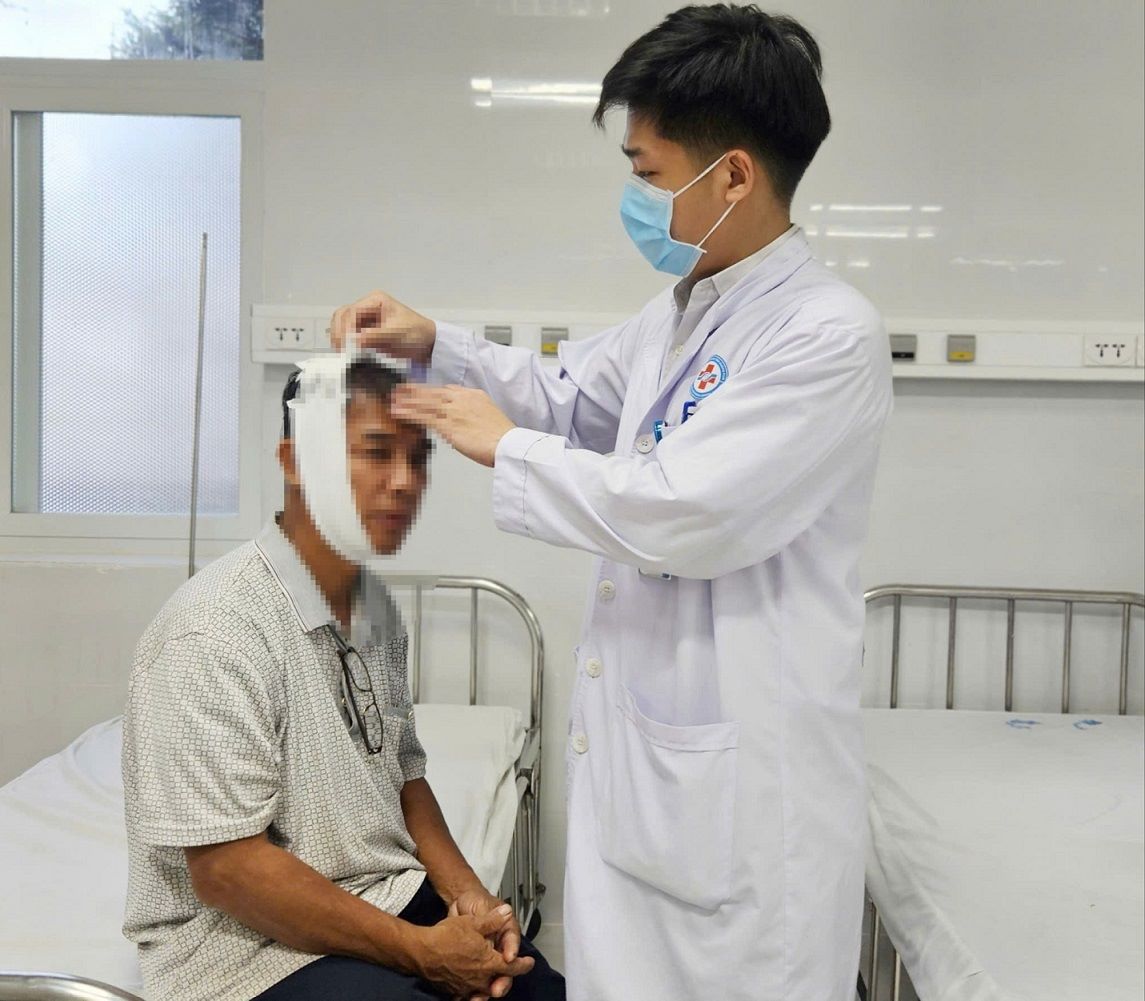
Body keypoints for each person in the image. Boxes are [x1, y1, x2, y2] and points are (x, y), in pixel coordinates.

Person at [331, 5, 893, 999]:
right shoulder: (682, 312)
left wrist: (505, 446)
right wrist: (437, 345)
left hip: (743, 803)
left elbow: (691, 512)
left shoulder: (825, 334)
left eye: (646, 171)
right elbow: (567, 394)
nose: (633, 197)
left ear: (732, 176)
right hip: (653, 774)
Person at [121, 356, 565, 1001]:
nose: (404, 482)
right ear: (295, 461)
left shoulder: (373, 611)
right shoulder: (214, 631)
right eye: (376, 452)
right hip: (241, 949)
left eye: (417, 459)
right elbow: (227, 871)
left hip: (380, 892)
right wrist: (422, 952)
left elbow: (403, 775)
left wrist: (471, 900)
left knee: (538, 991)